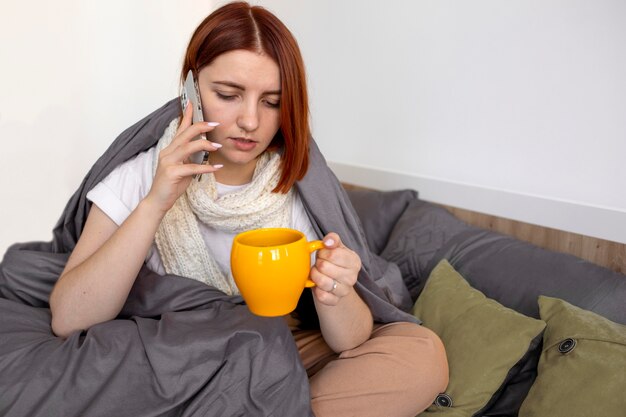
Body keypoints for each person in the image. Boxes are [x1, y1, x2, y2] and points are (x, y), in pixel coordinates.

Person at [49, 2, 448, 416]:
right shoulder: (143, 173)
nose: (251, 121)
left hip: (278, 352)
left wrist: (337, 291)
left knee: (421, 353)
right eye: (228, 95)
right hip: (181, 363)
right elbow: (69, 318)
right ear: (190, 88)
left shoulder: (298, 181)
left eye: (272, 102)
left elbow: (350, 340)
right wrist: (156, 202)